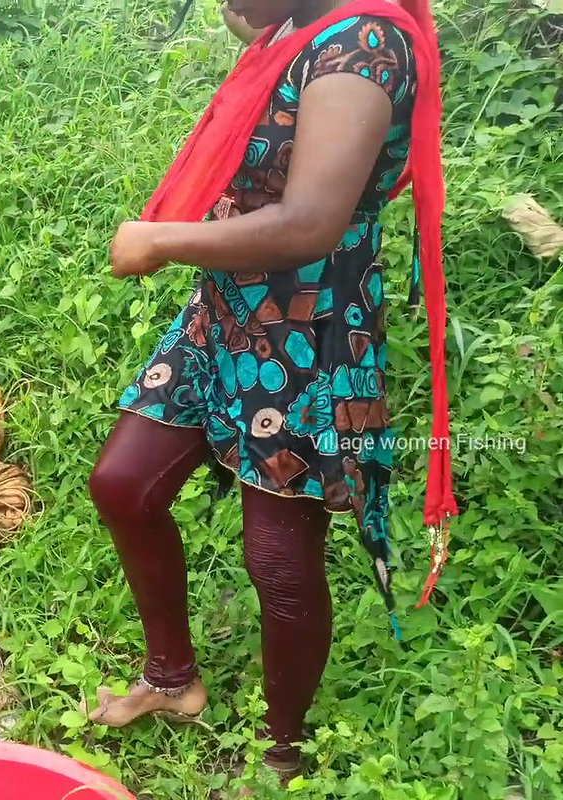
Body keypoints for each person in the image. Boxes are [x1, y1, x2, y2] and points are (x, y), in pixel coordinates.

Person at [87, 0, 456, 784]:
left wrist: (160, 240)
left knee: (278, 559)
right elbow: (263, 52)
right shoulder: (301, 21)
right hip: (227, 313)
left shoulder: (363, 46)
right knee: (123, 484)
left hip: (307, 327)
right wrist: (252, 18)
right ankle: (172, 679)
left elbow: (311, 222)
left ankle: (283, 752)